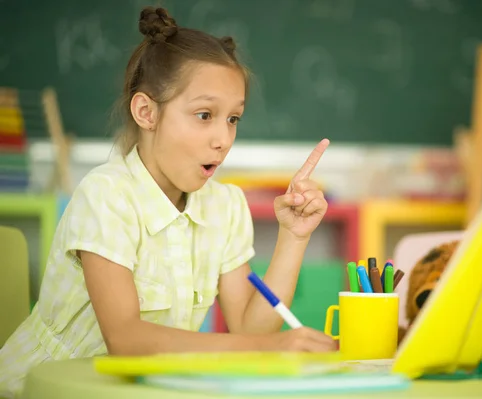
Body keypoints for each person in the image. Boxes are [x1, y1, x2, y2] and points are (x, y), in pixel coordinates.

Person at [0, 6, 336, 398]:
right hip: (38, 389)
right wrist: (269, 349)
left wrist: (293, 238)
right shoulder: (107, 195)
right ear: (146, 112)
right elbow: (125, 341)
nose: (223, 139)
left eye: (233, 119)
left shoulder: (225, 206)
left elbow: (249, 327)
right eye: (204, 115)